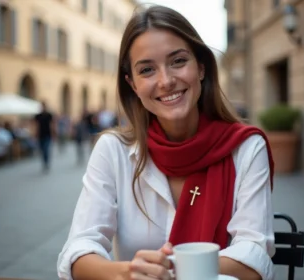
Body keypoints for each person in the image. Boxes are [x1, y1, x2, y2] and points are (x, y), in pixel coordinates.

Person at [57, 5, 276, 280]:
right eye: (147, 70)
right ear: (133, 85)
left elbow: (254, 256)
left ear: (201, 67)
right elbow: (79, 249)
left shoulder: (245, 148)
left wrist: (168, 268)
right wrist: (130, 272)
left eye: (178, 61)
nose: (166, 81)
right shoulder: (112, 150)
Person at [34, 101, 55, 172]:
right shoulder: (38, 116)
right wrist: (36, 134)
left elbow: (51, 125)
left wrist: (53, 134)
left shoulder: (49, 115)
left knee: (46, 149)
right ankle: (44, 162)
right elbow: (36, 125)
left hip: (47, 134)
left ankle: (46, 162)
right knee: (42, 150)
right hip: (41, 135)